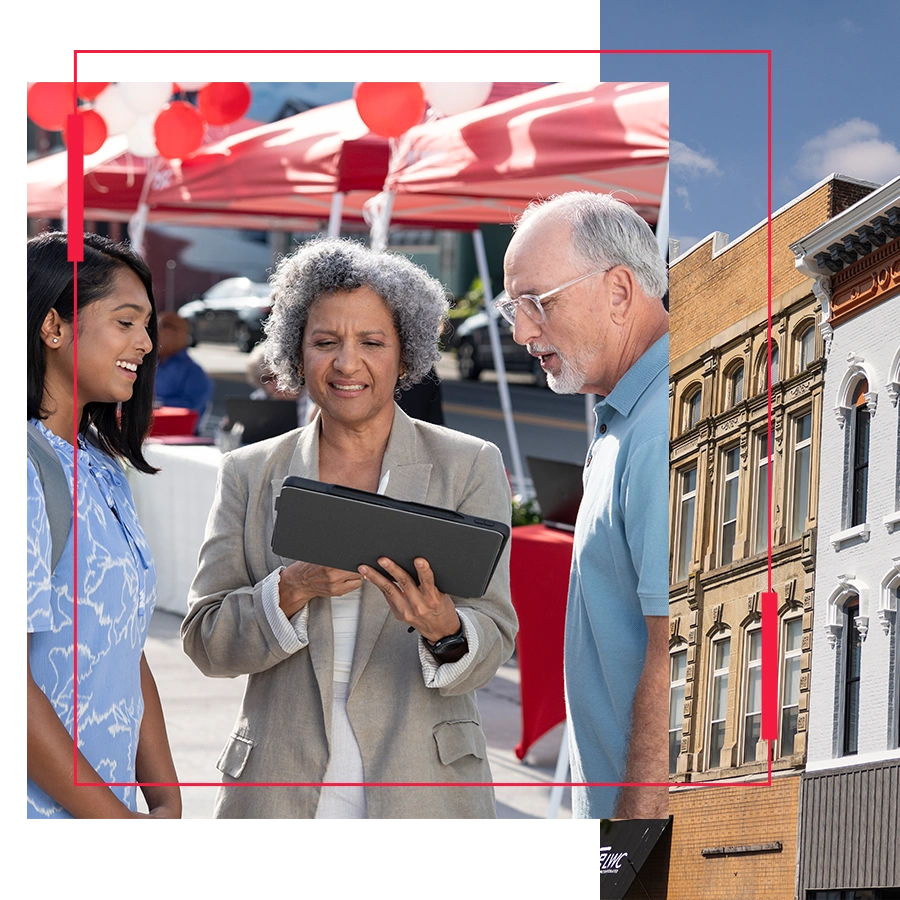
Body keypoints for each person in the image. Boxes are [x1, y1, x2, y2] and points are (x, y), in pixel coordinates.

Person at [181, 237, 517, 823]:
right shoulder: (250, 472)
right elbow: (205, 639)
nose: (346, 363)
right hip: (280, 798)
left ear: (406, 355)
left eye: (371, 342)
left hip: (424, 795)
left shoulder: (469, 465)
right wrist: (289, 590)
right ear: (295, 351)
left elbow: (496, 631)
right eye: (324, 342)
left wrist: (446, 630)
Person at [500, 191, 670, 821]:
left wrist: (627, 852)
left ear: (620, 292)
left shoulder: (659, 430)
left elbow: (675, 656)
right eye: (512, 307)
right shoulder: (622, 413)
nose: (520, 332)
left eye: (537, 303)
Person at [25, 231, 181, 821]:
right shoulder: (20, 469)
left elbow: (125, 646)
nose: (146, 343)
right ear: (54, 327)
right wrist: (116, 828)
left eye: (147, 325)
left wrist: (166, 800)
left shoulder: (98, 465)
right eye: (126, 322)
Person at [154, 310, 214, 423]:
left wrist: (154, 405)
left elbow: (190, 408)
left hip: (179, 436)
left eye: (161, 326)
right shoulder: (146, 365)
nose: (154, 333)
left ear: (179, 333)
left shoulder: (195, 373)